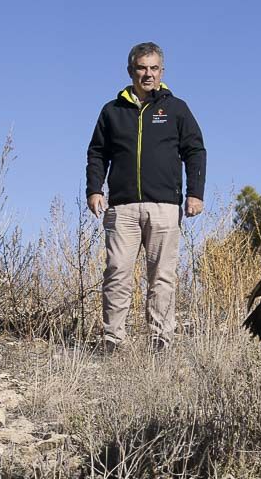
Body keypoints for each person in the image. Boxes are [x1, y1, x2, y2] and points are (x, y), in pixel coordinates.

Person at [86, 41, 207, 353]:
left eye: (154, 68)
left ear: (162, 71)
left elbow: (195, 151)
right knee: (117, 273)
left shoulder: (176, 108)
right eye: (142, 68)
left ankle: (160, 339)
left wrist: (195, 194)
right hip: (122, 207)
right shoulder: (112, 111)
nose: (148, 74)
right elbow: (97, 153)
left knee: (162, 277)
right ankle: (113, 338)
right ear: (131, 71)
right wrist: (94, 190)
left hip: (164, 206)